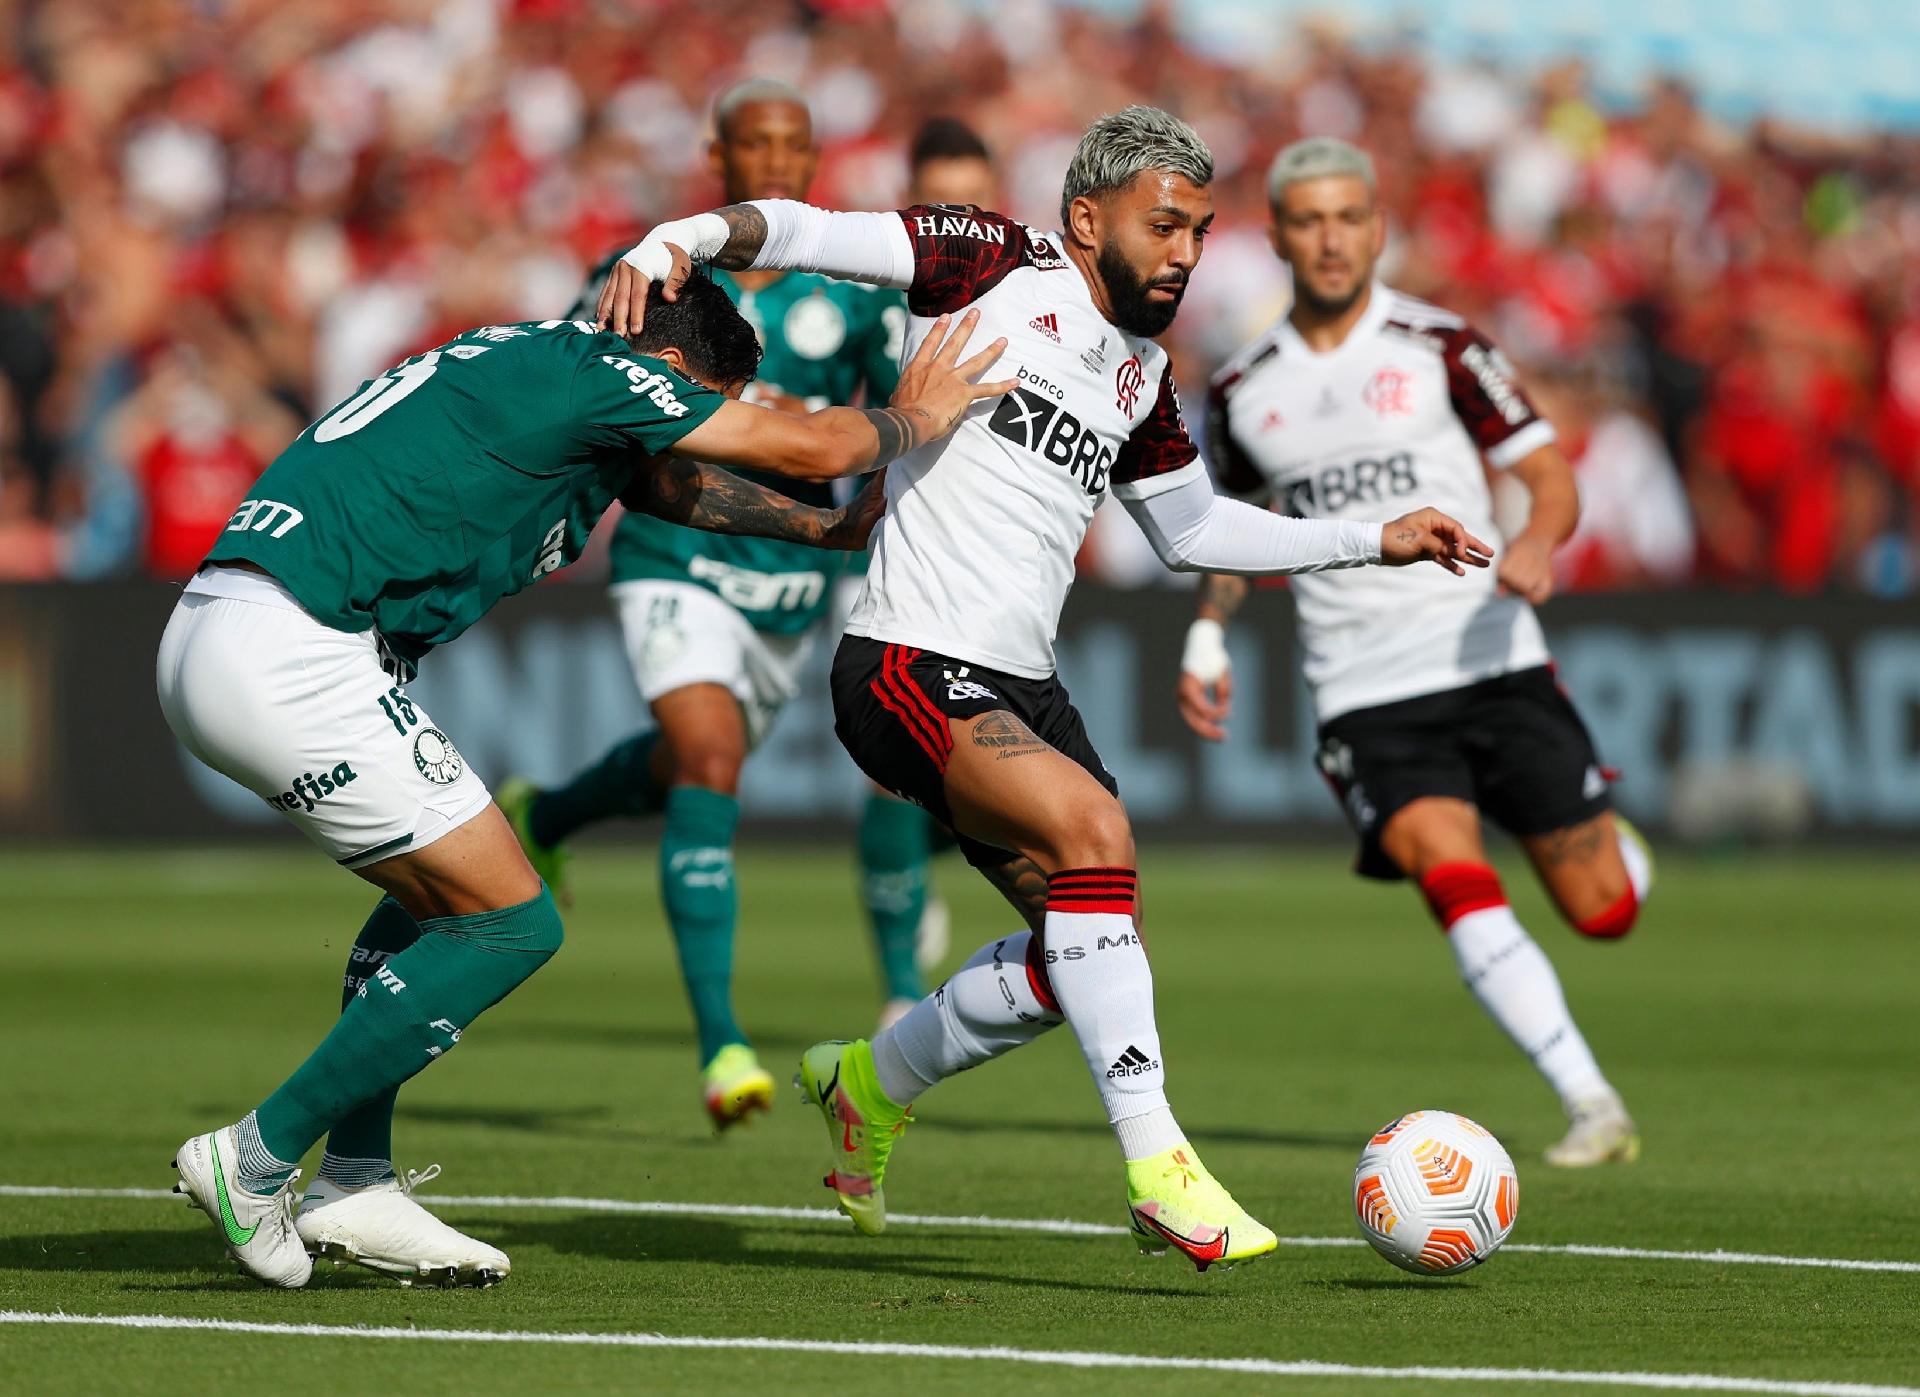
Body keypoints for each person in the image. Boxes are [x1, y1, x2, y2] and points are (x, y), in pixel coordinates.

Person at [598, 106, 1492, 1270]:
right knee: (1096, 833)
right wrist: (685, 234)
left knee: (1082, 952)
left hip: (1024, 681)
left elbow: (1195, 529)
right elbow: (821, 230)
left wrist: (1377, 536)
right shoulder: (996, 266)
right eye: (1164, 225)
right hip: (908, 659)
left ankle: (871, 1081)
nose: (1185, 252)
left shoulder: (1143, 373)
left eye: (1199, 232)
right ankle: (1161, 1163)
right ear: (1086, 216)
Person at [156, 276, 1007, 1289]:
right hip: (295, 649)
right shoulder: (610, 368)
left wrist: (823, 532)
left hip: (233, 622)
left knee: (434, 899)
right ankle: (256, 1155)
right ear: (680, 372)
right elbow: (815, 447)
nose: (692, 434)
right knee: (513, 920)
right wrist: (923, 414)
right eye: (701, 408)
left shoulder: (547, 365)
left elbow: (666, 487)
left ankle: (355, 1176)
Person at [1176, 138, 1649, 1168]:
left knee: (1604, 909)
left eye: (1350, 215)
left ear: (1378, 226)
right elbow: (1230, 529)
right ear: (1280, 235)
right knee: (1448, 865)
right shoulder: (1247, 388)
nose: (1332, 237)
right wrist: (1209, 629)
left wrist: (1532, 541)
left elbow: (1545, 467)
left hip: (1487, 652)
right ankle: (1592, 1101)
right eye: (1308, 220)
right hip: (1362, 687)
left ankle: (1612, 837)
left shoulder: (1441, 344)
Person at [501, 84, 948, 1121]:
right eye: (759, 141)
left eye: (799, 143)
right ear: (717, 151)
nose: (781, 161)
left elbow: (908, 418)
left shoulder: (861, 289)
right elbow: (579, 383)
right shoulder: (653, 273)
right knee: (710, 761)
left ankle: (551, 811)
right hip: (675, 550)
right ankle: (722, 1044)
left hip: (797, 573)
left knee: (721, 767)